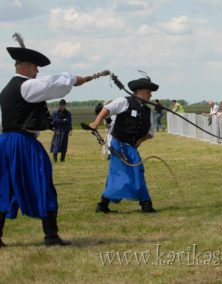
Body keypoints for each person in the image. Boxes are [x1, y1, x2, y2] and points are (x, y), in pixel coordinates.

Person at [0, 34, 85, 247]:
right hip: (22, 143)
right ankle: (51, 236)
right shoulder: (26, 86)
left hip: (5, 142)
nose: (37, 72)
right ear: (26, 67)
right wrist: (73, 79)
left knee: (4, 187)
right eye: (35, 68)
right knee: (42, 183)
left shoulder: (7, 89)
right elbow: (52, 85)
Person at [90, 77, 159, 214]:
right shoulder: (124, 102)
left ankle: (144, 204)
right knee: (118, 174)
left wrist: (140, 140)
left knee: (137, 171)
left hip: (131, 148)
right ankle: (105, 204)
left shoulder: (147, 111)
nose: (150, 95)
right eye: (148, 92)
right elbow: (107, 109)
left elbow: (150, 133)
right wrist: (96, 123)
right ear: (139, 91)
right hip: (118, 145)